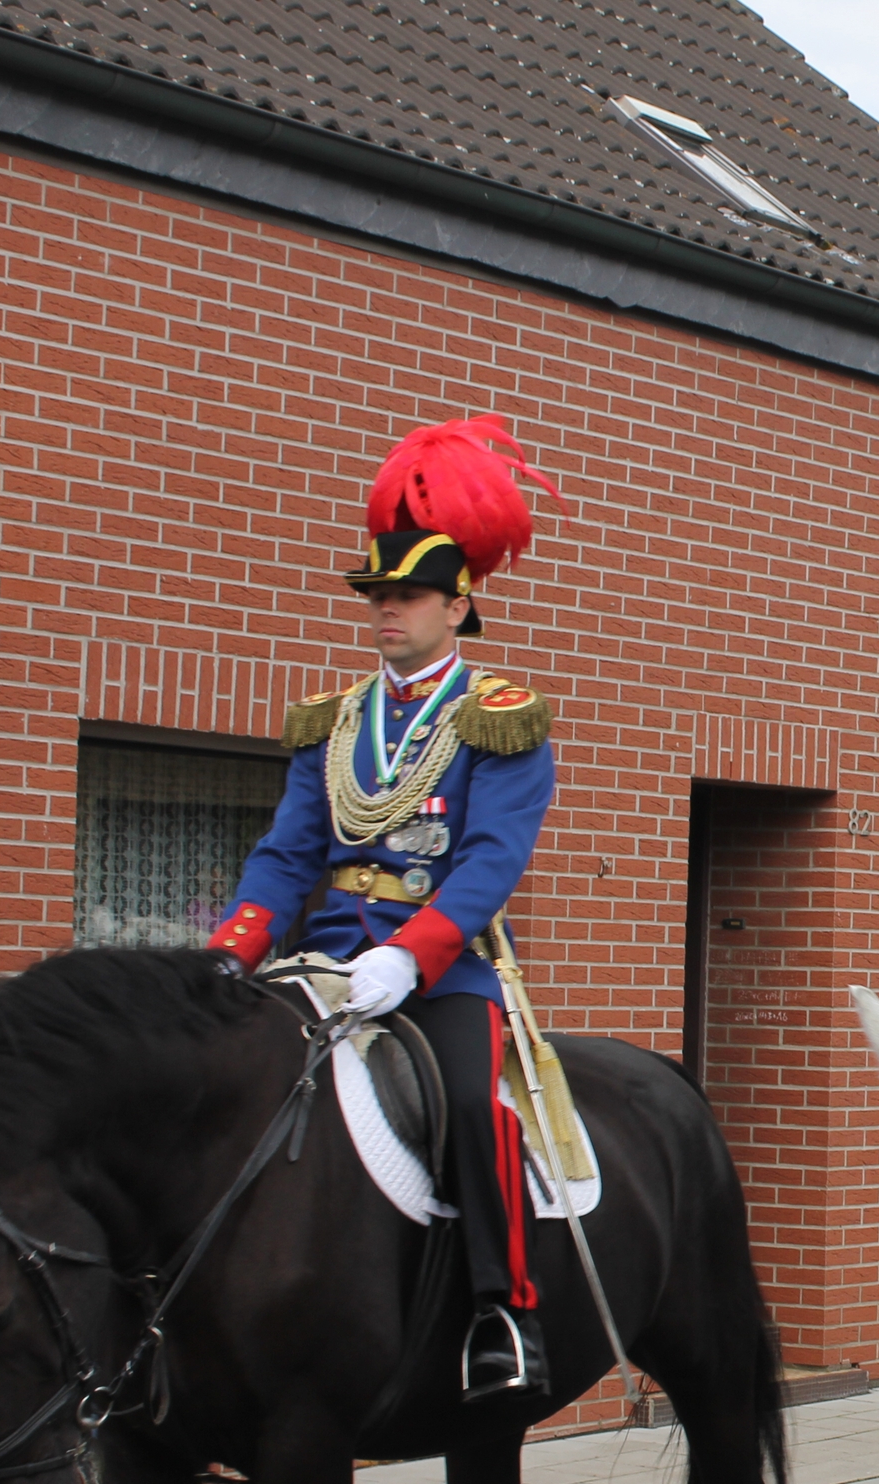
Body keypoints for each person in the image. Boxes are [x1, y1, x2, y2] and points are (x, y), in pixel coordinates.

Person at [207, 415, 565, 1403]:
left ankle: (504, 1311)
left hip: (443, 966)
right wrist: (232, 952)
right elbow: (288, 855)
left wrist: (411, 954)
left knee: (469, 1101)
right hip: (324, 956)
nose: (385, 611)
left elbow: (491, 861)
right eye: (376, 595)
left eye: (406, 596)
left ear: (459, 604)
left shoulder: (498, 718)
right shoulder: (332, 723)